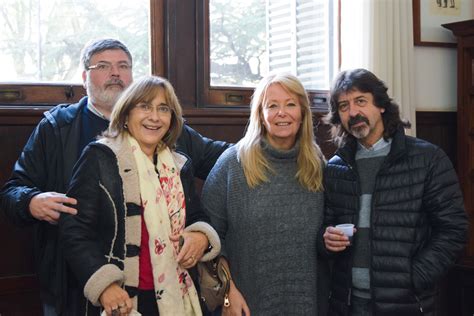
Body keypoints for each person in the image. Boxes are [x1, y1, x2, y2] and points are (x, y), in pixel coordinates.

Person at [0, 38, 228, 315]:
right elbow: (15, 192)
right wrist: (30, 201)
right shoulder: (59, 129)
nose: (115, 73)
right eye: (104, 66)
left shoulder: (167, 134)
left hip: (171, 286)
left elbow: (219, 164)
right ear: (85, 77)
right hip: (79, 282)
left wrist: (267, 140)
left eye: (123, 66)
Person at [59, 75, 220, 315]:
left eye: (163, 109)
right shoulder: (99, 158)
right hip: (124, 298)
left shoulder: (179, 165)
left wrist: (201, 236)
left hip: (178, 294)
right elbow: (74, 231)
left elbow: (196, 215)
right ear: (126, 115)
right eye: (144, 106)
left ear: (171, 119)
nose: (154, 117)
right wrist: (105, 285)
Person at [320, 68, 468, 315]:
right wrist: (325, 239)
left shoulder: (428, 159)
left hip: (406, 303)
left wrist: (415, 277)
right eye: (344, 106)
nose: (353, 112)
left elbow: (454, 229)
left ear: (381, 105)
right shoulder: (335, 167)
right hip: (346, 305)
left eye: (360, 101)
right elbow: (323, 228)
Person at [201, 73, 326, 315]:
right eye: (272, 105)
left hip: (307, 304)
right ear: (260, 113)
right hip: (245, 304)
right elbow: (209, 239)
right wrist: (227, 293)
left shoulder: (317, 165)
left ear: (303, 113)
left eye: (290, 104)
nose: (282, 113)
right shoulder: (233, 164)